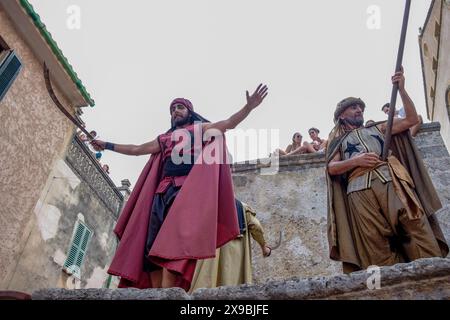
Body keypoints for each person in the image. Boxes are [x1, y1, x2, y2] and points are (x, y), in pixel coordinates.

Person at [91, 84, 269, 290]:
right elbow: (137, 149)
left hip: (185, 192)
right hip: (161, 193)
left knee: (172, 242)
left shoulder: (200, 129)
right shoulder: (164, 139)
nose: (175, 111)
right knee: (151, 246)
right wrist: (107, 145)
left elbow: (228, 123)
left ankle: (168, 293)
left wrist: (249, 108)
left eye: (180, 108)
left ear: (189, 112)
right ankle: (155, 293)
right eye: (173, 109)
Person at [326, 69, 448, 274]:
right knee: (375, 241)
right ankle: (391, 286)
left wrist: (401, 89)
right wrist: (356, 160)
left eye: (360, 107)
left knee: (414, 222)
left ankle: (435, 274)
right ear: (341, 115)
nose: (359, 110)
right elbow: (331, 168)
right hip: (358, 190)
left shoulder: (379, 128)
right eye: (353, 107)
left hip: (390, 179)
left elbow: (411, 119)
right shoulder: (337, 141)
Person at [189, 200, 272, 293]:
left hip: (211, 252)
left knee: (207, 285)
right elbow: (256, 226)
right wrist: (263, 246)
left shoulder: (205, 205)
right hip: (235, 253)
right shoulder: (242, 207)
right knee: (232, 284)